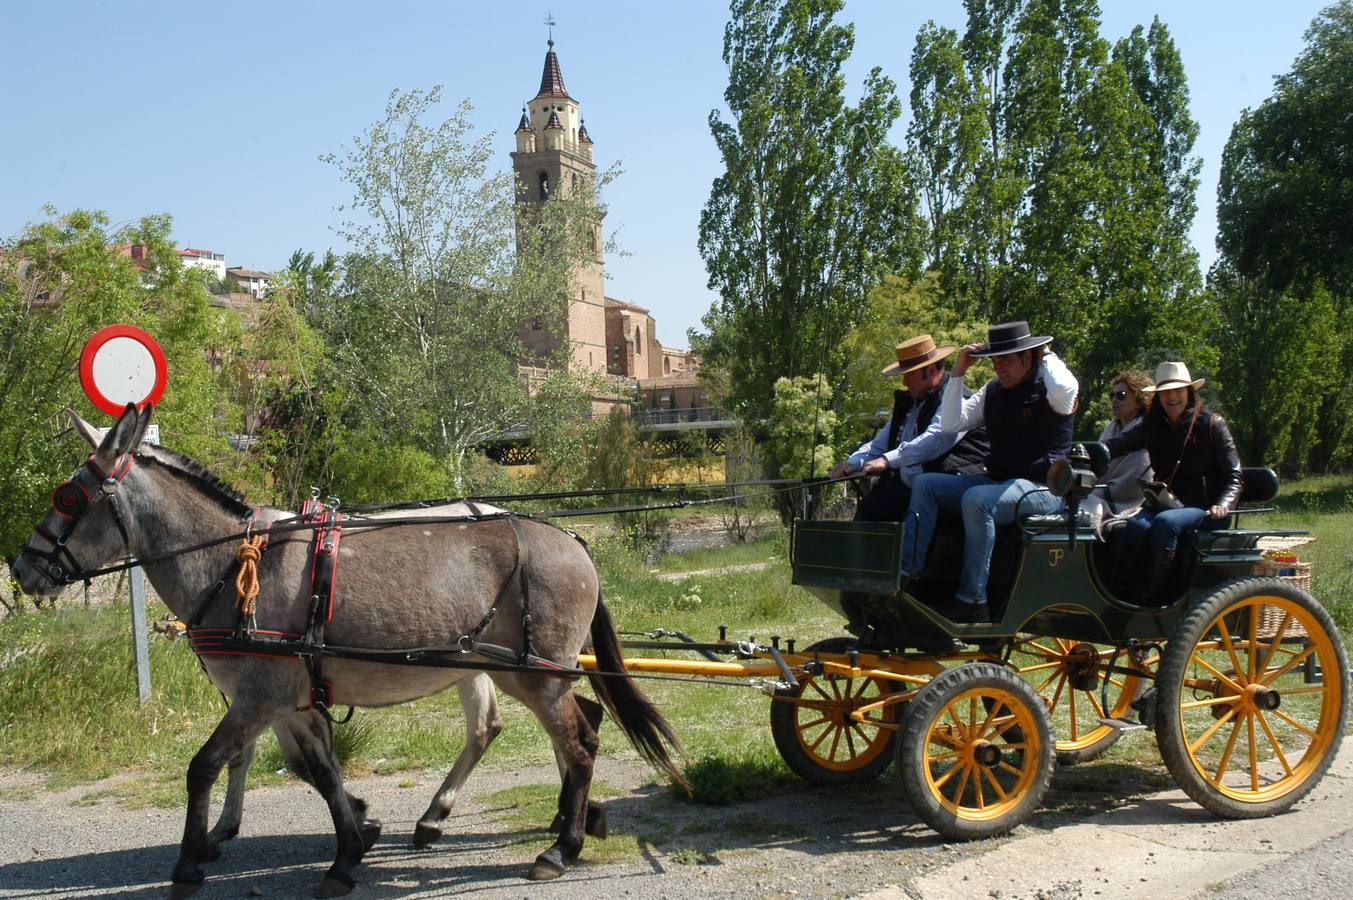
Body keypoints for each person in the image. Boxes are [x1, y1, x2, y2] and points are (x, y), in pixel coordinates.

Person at [898, 321, 1078, 624]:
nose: (998, 368)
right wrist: (957, 373)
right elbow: (952, 423)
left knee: (977, 499)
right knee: (927, 484)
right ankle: (908, 578)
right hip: (998, 481)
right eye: (994, 360)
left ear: (1028, 356)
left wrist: (1044, 353)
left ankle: (972, 601)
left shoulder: (1052, 390)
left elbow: (1066, 388)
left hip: (1043, 489)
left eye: (1005, 359)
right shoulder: (993, 391)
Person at [1105, 361, 1243, 604]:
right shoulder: (1152, 426)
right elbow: (1117, 446)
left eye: (1177, 391)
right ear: (1158, 397)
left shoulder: (1211, 424)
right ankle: (1121, 598)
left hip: (1204, 506)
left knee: (1165, 523)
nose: (1172, 397)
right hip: (1166, 502)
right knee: (1134, 527)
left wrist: (1223, 504)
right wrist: (1086, 452)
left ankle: (1151, 599)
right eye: (1166, 392)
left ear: (1189, 393)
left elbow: (1235, 475)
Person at [829, 335, 988, 521]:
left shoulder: (957, 400)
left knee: (878, 507)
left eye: (909, 374)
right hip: (907, 483)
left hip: (950, 482)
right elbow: (881, 444)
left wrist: (887, 461)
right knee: (871, 506)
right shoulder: (911, 403)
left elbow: (936, 439)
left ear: (930, 370)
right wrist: (853, 463)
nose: (905, 382)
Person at [1084, 370, 1154, 538]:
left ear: (1139, 400)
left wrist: (1098, 491)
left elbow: (1138, 479)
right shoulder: (1111, 429)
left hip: (1130, 502)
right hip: (1099, 492)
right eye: (1112, 395)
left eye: (1121, 395)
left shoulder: (1145, 430)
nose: (1115, 400)